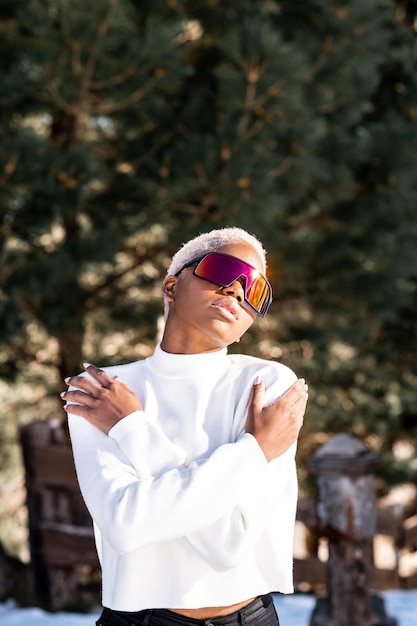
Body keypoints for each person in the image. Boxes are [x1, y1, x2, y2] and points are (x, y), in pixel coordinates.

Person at [62, 227, 308, 626]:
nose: (236, 291)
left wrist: (131, 427)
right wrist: (255, 450)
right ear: (172, 286)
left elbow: (228, 544)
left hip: (249, 619)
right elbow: (125, 524)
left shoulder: (267, 385)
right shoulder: (101, 389)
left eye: (255, 290)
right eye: (223, 269)